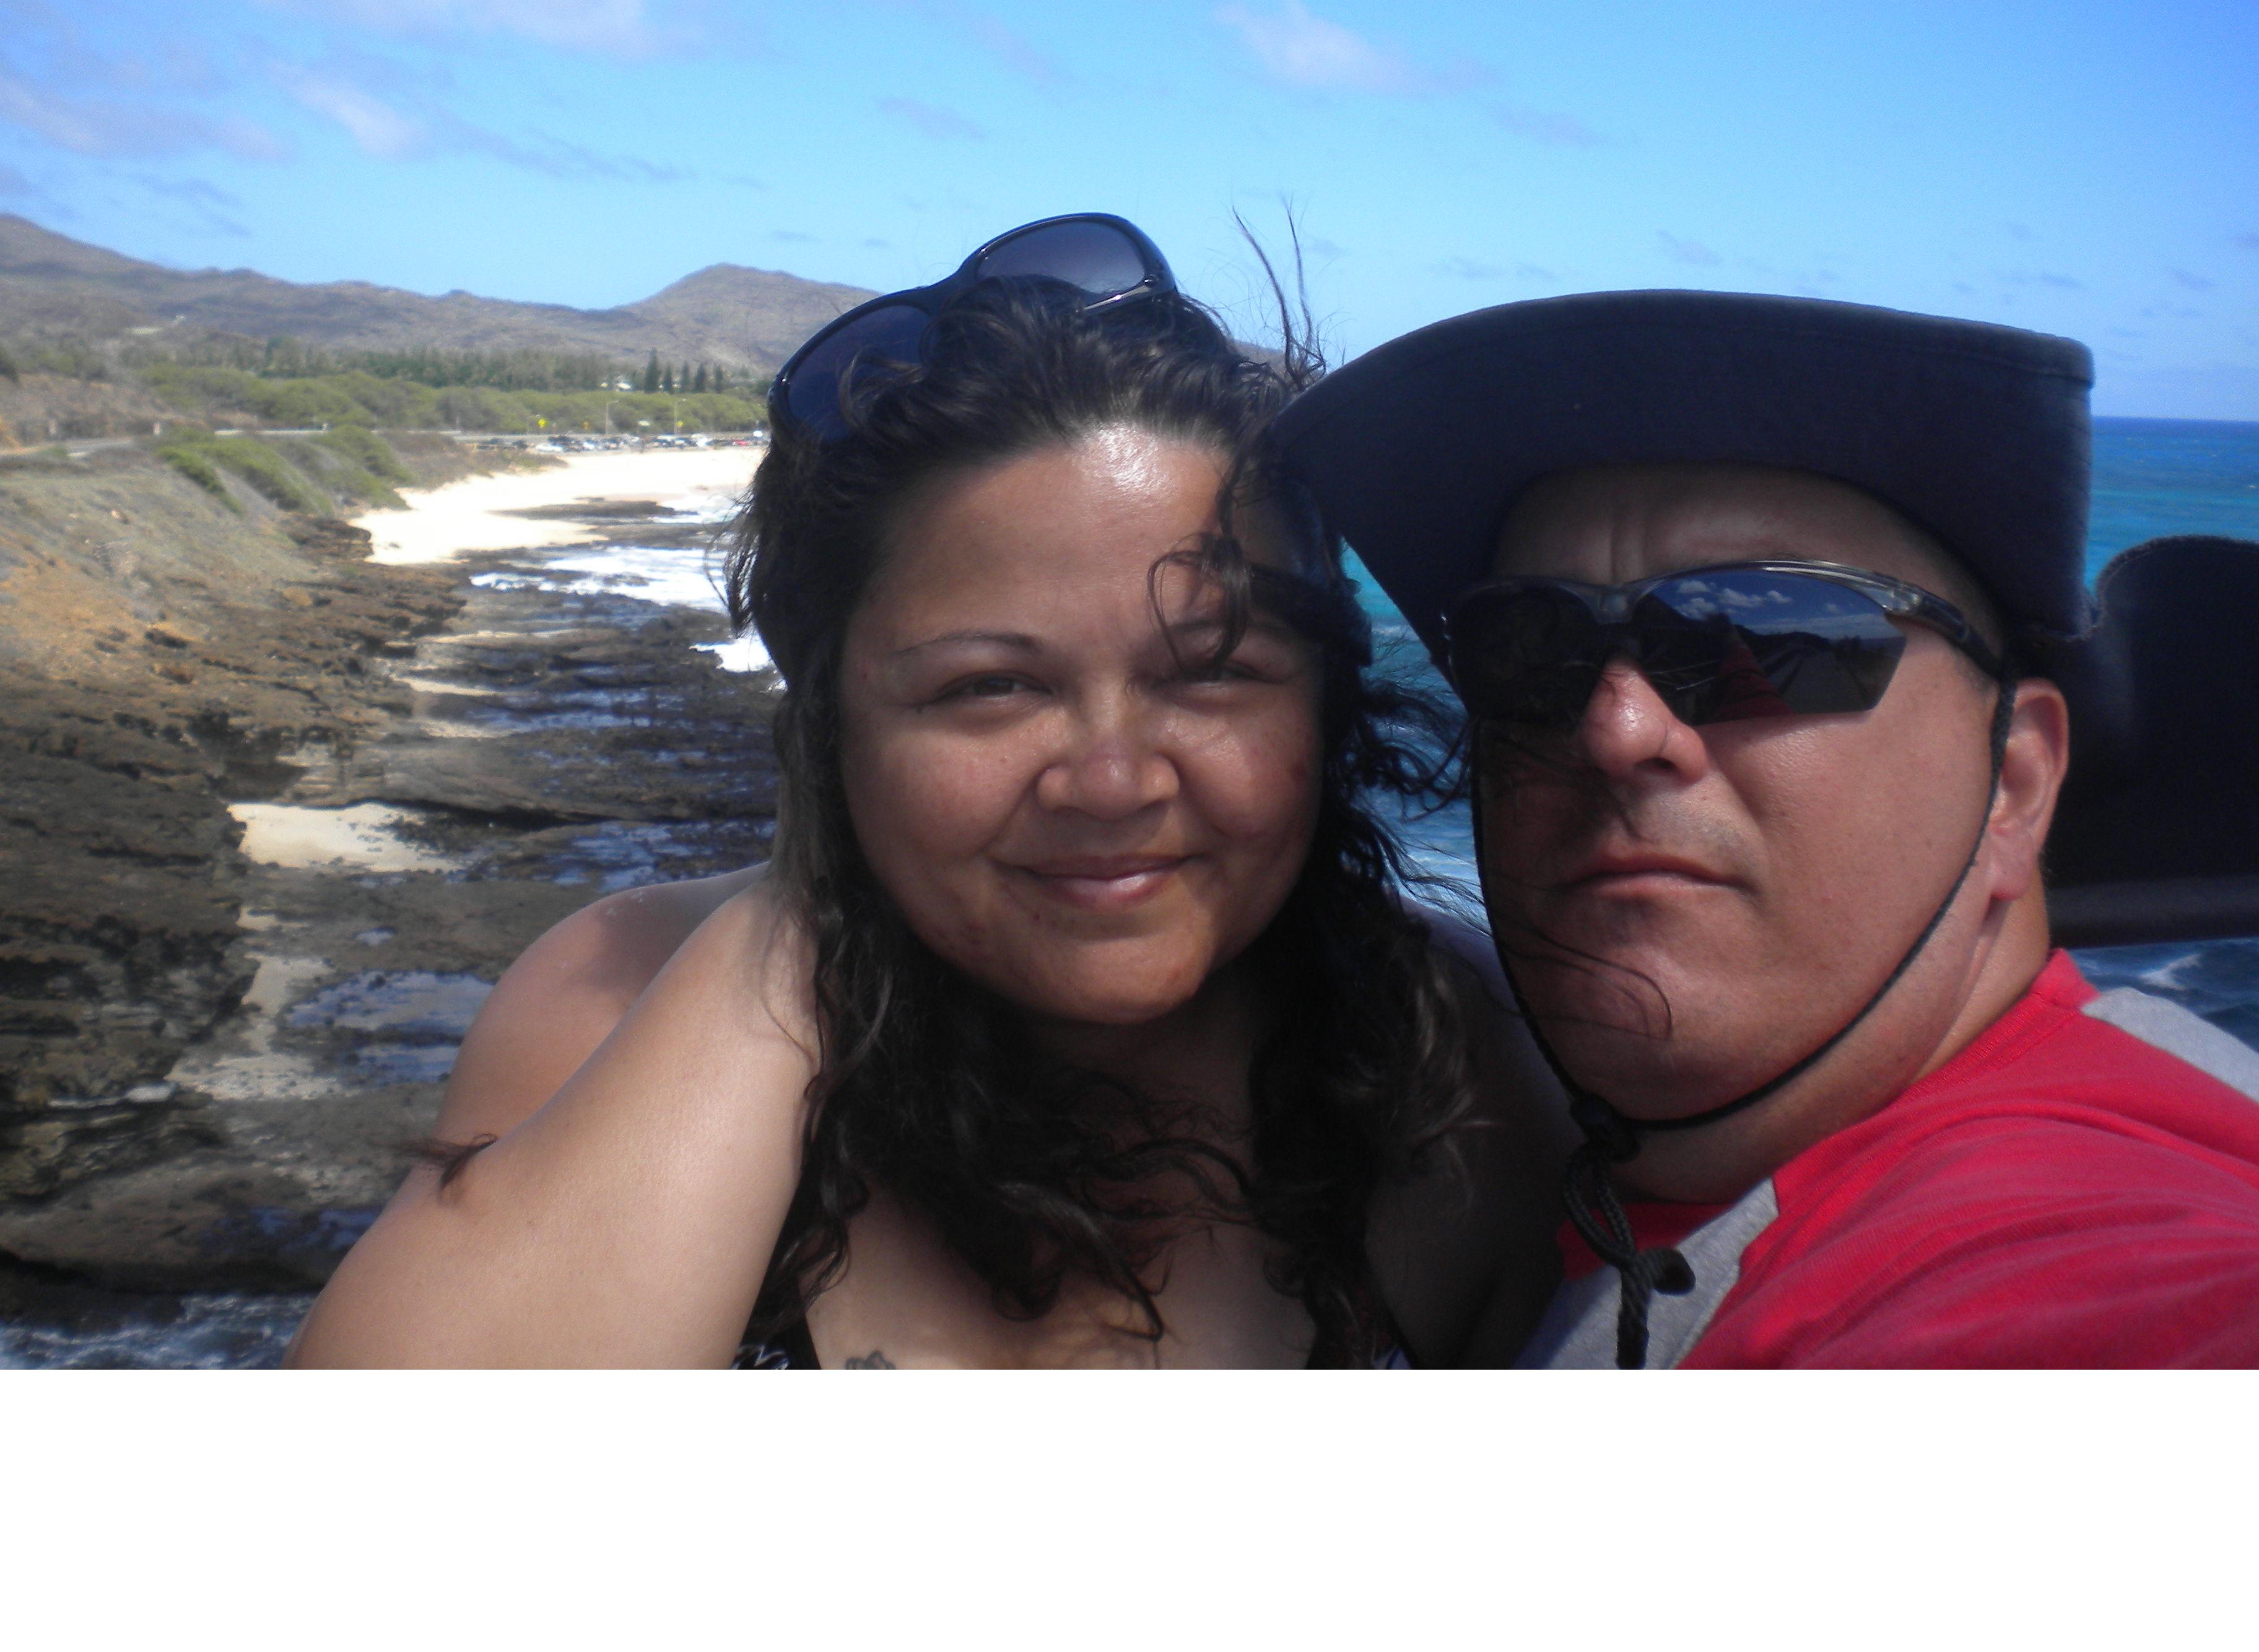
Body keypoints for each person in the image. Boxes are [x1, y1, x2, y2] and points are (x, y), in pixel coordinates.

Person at [287, 215, 1557, 1368]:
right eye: (988, 690)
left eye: (1214, 672)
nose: (1111, 780)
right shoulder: (616, 995)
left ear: (1330, 700)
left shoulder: (1450, 1072)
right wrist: (811, 912)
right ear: (835, 723)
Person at [1276, 288, 2259, 1368]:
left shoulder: (2080, 1258)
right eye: (1530, 651)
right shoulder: (1483, 1153)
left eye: (1765, 632)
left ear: (2015, 783)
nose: (1617, 725)